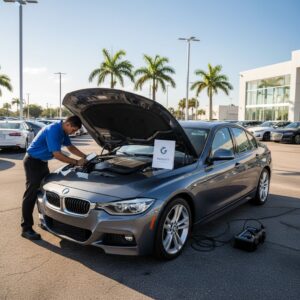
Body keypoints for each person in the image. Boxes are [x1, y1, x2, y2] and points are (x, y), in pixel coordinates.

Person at [21, 115, 87, 240]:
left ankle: (44, 221)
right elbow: (56, 154)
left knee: (43, 192)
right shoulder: (54, 130)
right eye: (73, 130)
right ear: (67, 124)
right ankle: (26, 228)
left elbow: (70, 147)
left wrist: (86, 157)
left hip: (41, 162)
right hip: (32, 162)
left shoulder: (63, 130)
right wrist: (77, 162)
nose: (73, 132)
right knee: (31, 194)